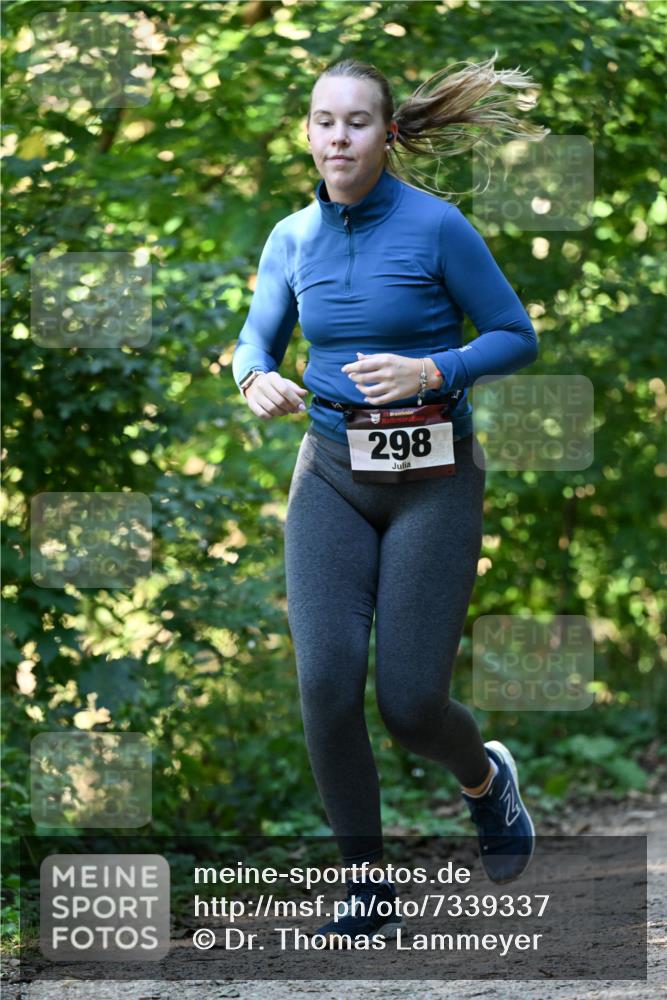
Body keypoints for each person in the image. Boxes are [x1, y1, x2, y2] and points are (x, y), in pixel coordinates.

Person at [232, 52, 548, 944]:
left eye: (357, 121)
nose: (339, 136)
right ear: (308, 132)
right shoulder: (290, 237)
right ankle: (365, 885)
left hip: (434, 480)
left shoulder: (438, 228)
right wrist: (254, 375)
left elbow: (514, 335)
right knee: (326, 686)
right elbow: (254, 338)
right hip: (330, 472)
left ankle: (485, 781)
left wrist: (431, 366)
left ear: (387, 132)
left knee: (410, 704)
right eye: (324, 121)